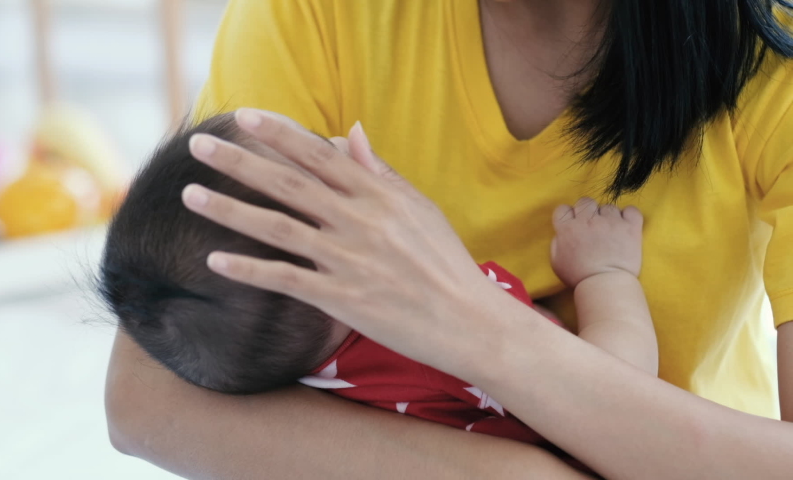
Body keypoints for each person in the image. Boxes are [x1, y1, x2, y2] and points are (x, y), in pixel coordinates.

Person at [104, 0, 793, 478]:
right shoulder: (317, 18)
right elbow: (144, 399)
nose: (350, 149)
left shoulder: (773, 62)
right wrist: (483, 317)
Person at [100, 111, 653, 472]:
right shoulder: (444, 341)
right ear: (340, 259)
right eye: (323, 160)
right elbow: (621, 400)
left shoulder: (292, 378)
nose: (342, 139)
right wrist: (606, 277)